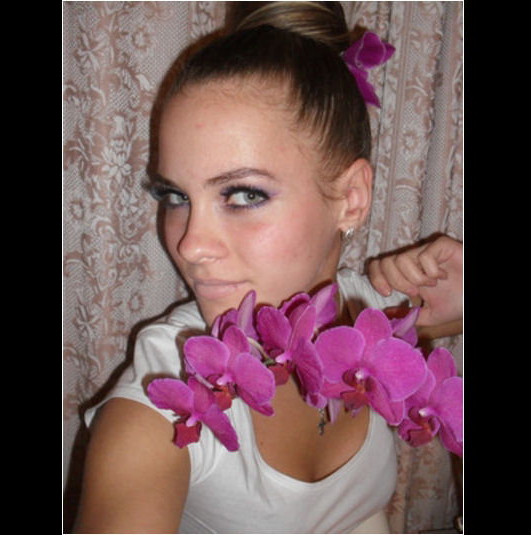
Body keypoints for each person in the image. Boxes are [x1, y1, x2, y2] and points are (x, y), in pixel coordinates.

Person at [73, 2, 462, 533]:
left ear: (351, 199)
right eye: (175, 195)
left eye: (244, 194)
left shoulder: (375, 315)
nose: (190, 245)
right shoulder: (154, 413)